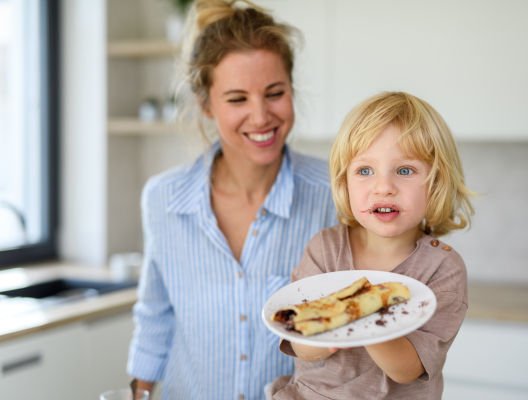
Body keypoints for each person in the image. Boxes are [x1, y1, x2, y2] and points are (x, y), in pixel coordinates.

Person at [126, 1, 338, 399]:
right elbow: (155, 319)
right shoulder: (164, 199)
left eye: (274, 93)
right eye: (237, 99)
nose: (260, 117)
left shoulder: (334, 194)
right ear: (206, 104)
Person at [268, 92, 477, 399]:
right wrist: (327, 322)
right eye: (365, 171)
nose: (384, 187)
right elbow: (303, 348)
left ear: (436, 184)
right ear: (345, 182)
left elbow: (406, 370)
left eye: (405, 170)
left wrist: (359, 308)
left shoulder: (443, 269)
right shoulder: (325, 249)